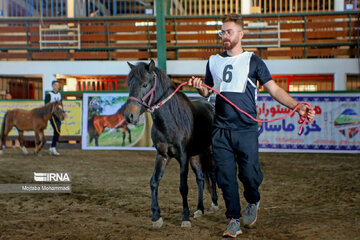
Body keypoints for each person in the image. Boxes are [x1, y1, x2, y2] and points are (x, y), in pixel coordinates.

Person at [188, 13, 315, 238]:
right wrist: (199, 86)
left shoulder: (253, 61)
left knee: (248, 174)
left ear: (241, 34)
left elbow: (274, 89)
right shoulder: (213, 61)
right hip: (220, 130)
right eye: (222, 32)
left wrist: (297, 106)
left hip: (245, 129)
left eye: (229, 31)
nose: (224, 35)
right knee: (225, 177)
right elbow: (208, 91)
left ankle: (253, 200)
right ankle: (233, 220)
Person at [44, 80, 63, 156]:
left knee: (58, 131)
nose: (57, 86)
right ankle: (53, 147)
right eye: (55, 85)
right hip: (52, 115)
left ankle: (52, 147)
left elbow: (61, 104)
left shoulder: (59, 94)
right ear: (52, 86)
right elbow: (46, 105)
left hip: (58, 114)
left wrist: (62, 113)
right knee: (56, 130)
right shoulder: (49, 94)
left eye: (58, 85)